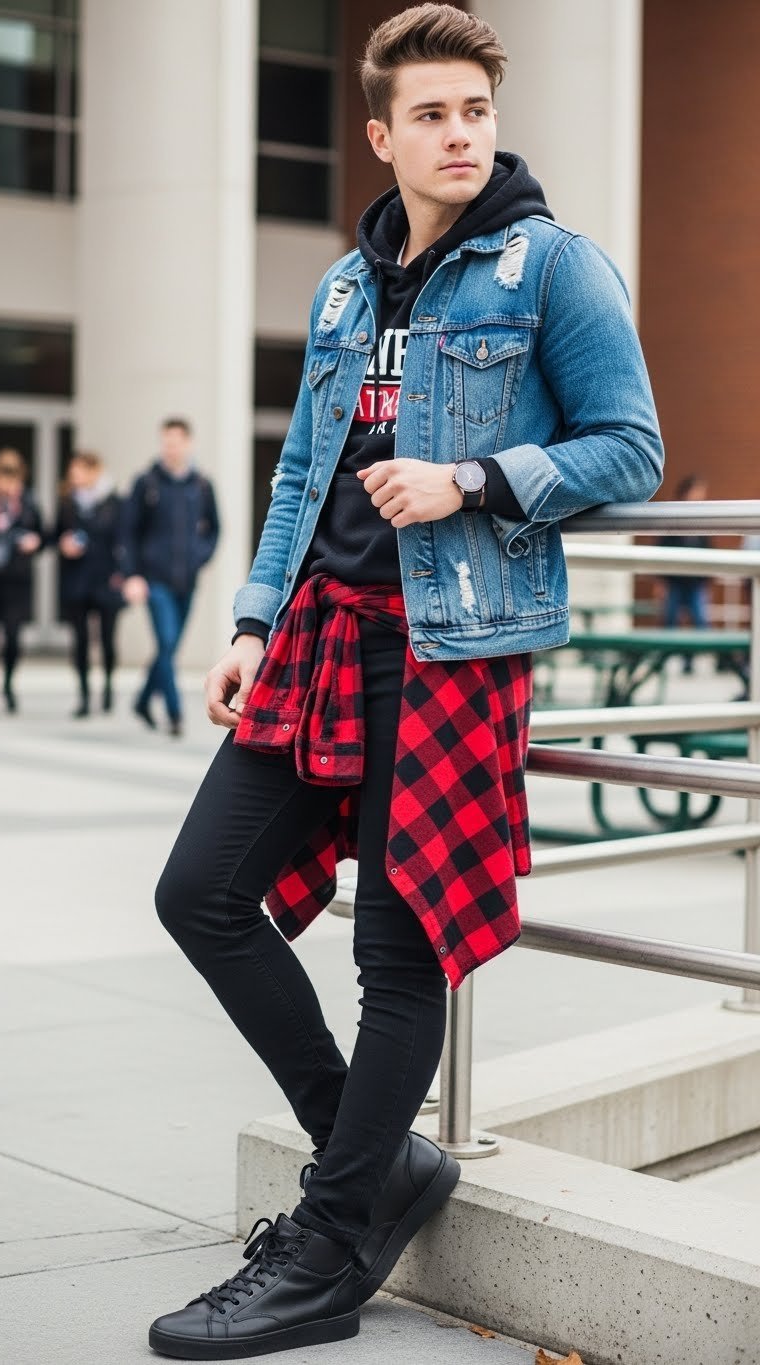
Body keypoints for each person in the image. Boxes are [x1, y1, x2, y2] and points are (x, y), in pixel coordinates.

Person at [148, 6, 664, 1359]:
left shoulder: (548, 268)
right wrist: (255, 614)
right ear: (383, 135)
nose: (458, 134)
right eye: (430, 116)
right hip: (322, 637)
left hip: (454, 645)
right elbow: (300, 478)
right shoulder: (342, 287)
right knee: (198, 889)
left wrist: (475, 480)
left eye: (475, 113)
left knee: (399, 947)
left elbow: (630, 448)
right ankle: (374, 1165)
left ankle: (326, 1251)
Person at [121, 418, 220, 736]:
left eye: (176, 442)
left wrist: (199, 557)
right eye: (166, 442)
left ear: (188, 443)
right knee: (165, 642)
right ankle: (175, 714)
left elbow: (215, 528)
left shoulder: (201, 484)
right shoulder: (146, 483)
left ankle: (142, 700)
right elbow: (128, 532)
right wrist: (133, 575)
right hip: (155, 580)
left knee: (169, 648)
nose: (170, 448)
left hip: (187, 580)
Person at [53, 450, 125, 718]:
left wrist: (123, 573)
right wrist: (63, 544)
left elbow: (123, 540)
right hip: (77, 581)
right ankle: (83, 695)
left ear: (94, 471)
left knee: (107, 639)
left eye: (79, 471)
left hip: (107, 581)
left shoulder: (114, 502)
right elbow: (54, 533)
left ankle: (107, 687)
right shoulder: (67, 503)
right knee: (80, 640)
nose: (75, 477)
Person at [0, 448, 43, 714]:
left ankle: (9, 687)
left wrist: (35, 541)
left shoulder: (28, 503)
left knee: (12, 637)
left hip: (16, 579)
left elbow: (43, 533)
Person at [659, 474, 710, 674]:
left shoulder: (705, 520)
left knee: (700, 621)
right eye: (697, 492)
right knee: (670, 621)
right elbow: (662, 551)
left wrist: (706, 580)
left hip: (696, 582)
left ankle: (690, 660)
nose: (700, 497)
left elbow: (709, 552)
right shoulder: (674, 515)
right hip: (675, 580)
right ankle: (664, 658)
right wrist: (661, 583)